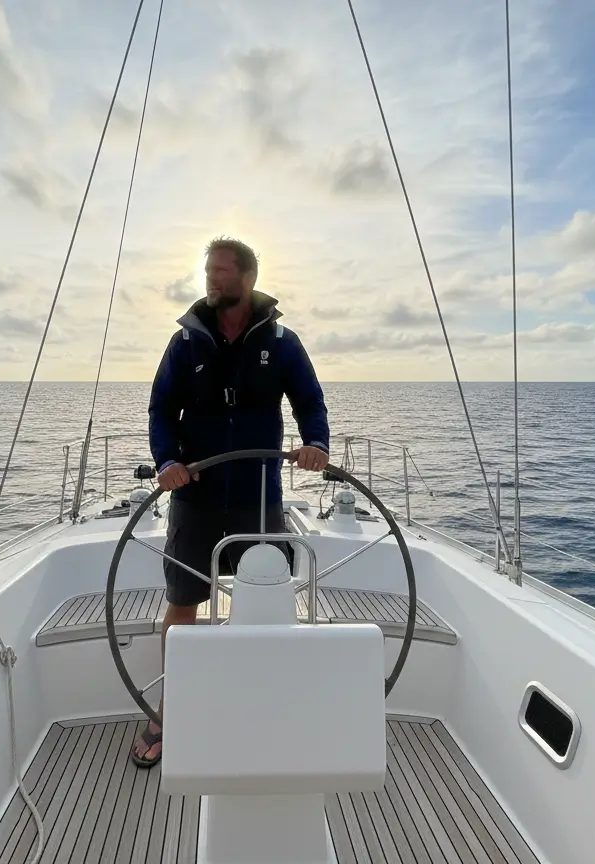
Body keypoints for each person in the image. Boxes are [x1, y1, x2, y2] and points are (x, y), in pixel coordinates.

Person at [131, 235, 330, 767]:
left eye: (220, 272)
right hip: (194, 494)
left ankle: (268, 698)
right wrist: (166, 459)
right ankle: (167, 711)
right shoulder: (185, 343)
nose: (211, 281)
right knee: (183, 601)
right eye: (208, 272)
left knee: (267, 595)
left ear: (247, 278)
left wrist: (316, 444)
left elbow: (310, 401)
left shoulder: (283, 341)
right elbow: (159, 409)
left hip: (256, 494)